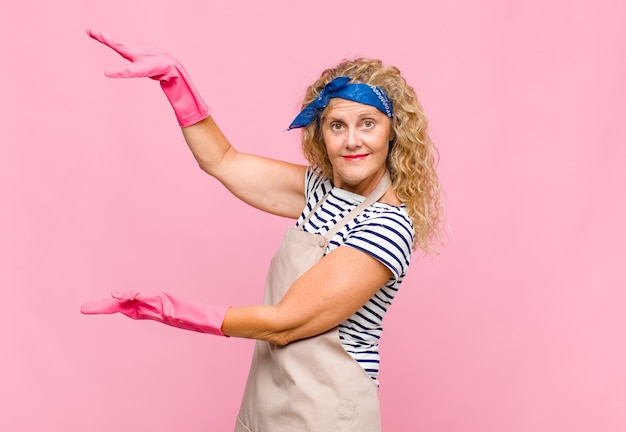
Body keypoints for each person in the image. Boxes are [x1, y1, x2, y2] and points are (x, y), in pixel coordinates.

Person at [81, 28, 443, 432]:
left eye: (368, 124)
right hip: (267, 403)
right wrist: (173, 80)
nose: (352, 140)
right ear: (320, 132)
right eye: (336, 125)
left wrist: (171, 311)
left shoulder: (387, 225)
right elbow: (223, 160)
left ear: (393, 132)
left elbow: (283, 322)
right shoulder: (319, 191)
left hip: (328, 415)